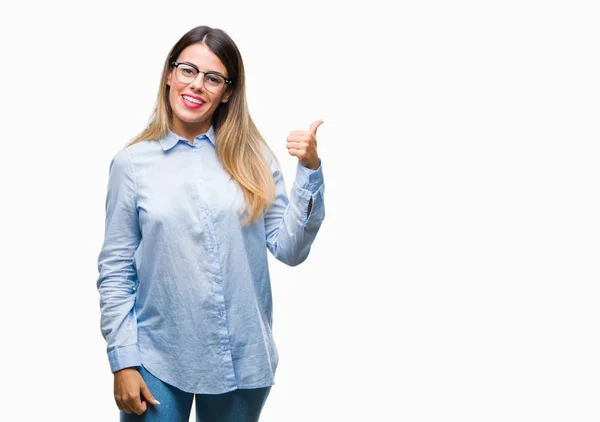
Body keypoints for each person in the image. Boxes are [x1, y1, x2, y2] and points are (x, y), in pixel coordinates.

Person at [96, 25, 325, 421]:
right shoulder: (131, 164)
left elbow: (289, 249)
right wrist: (123, 361)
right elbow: (115, 270)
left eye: (213, 77)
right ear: (170, 74)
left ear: (228, 91)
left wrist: (309, 170)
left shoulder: (254, 157)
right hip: (157, 357)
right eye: (188, 70)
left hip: (243, 355)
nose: (197, 85)